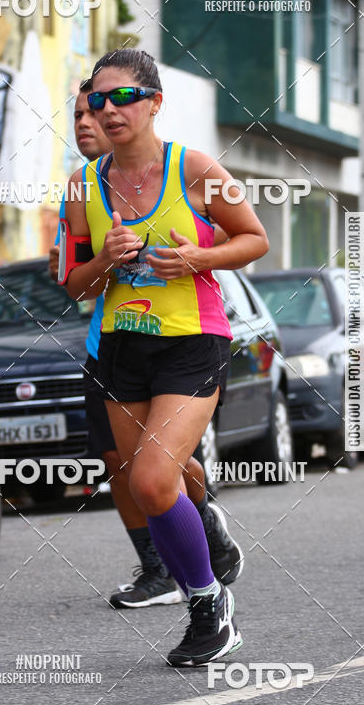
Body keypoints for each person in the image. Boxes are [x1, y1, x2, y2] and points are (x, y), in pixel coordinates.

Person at [63, 49, 269, 666]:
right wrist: (105, 261)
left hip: (193, 341)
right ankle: (206, 557)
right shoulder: (83, 185)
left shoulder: (197, 168)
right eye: (98, 99)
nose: (108, 110)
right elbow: (74, 284)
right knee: (150, 485)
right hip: (121, 348)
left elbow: (254, 238)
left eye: (123, 97)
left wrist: (196, 259)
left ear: (154, 102)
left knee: (154, 480)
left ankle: (208, 609)